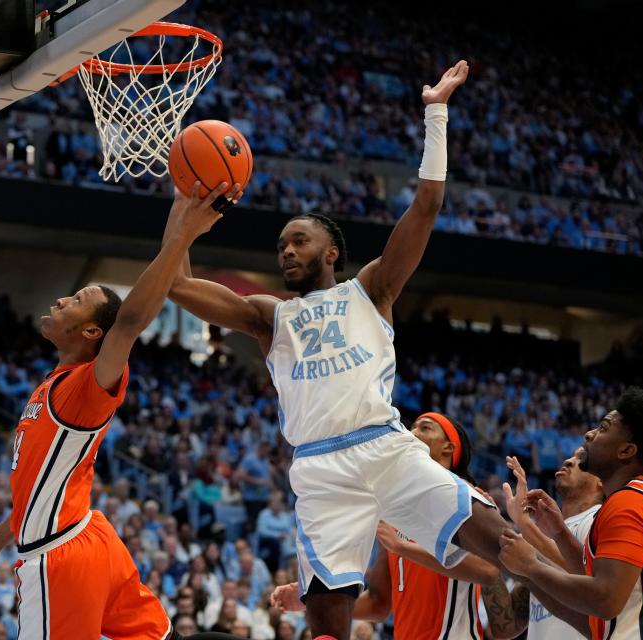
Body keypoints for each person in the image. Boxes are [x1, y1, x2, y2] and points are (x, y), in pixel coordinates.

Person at [167, 61, 511, 639]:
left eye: (300, 240)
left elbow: (425, 207)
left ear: (332, 252)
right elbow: (177, 285)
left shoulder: (372, 289)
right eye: (281, 244)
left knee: (503, 542)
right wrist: (182, 214)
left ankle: (578, 606)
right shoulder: (269, 315)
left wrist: (436, 112)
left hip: (385, 447)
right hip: (320, 468)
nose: (287, 251)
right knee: (328, 621)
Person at [0, 184, 250, 640]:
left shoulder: (88, 385)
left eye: (77, 299)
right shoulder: (51, 385)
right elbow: (34, 497)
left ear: (89, 330)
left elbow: (127, 323)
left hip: (60, 552)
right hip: (92, 539)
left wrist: (182, 237)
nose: (61, 299)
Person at [272, 412, 526, 640]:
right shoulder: (393, 510)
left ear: (449, 448)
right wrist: (313, 599)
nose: (413, 433)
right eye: (412, 427)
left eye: (425, 428)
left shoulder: (466, 499)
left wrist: (401, 547)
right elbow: (378, 604)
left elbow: (487, 569)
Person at [499, 387, 643, 639]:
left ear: (626, 451)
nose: (589, 434)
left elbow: (605, 600)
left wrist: (531, 567)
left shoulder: (630, 502)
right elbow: (597, 576)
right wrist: (559, 533)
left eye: (603, 428)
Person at [500, 449, 604, 639]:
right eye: (571, 456)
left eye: (581, 459)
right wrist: (488, 535)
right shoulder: (541, 534)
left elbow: (597, 586)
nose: (569, 461)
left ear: (602, 481)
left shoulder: (600, 520)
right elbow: (508, 625)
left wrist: (524, 524)